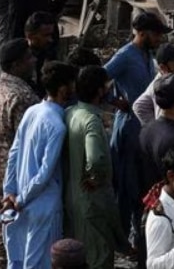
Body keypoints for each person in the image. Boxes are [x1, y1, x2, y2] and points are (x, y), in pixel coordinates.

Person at [3, 62, 76, 269]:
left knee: (18, 259)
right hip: (43, 205)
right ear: (63, 89)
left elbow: (14, 152)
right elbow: (45, 172)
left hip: (21, 202)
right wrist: (21, 198)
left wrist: (10, 191)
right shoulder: (57, 125)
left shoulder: (32, 111)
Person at [106, 12, 169, 247]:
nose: (159, 39)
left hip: (143, 127)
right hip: (128, 127)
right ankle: (122, 237)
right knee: (126, 183)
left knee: (142, 180)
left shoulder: (146, 55)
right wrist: (114, 99)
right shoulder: (125, 56)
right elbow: (99, 78)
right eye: (156, 35)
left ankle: (138, 233)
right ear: (142, 34)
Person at [0, 39, 39, 269]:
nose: (33, 61)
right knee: (23, 219)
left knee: (1, 216)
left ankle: (1, 260)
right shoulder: (22, 96)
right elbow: (32, 139)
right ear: (15, 65)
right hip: (20, 167)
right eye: (28, 58)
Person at [65, 65, 123, 269]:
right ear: (100, 91)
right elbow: (96, 159)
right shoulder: (91, 121)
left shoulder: (71, 112)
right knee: (99, 256)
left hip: (72, 197)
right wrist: (96, 177)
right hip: (93, 201)